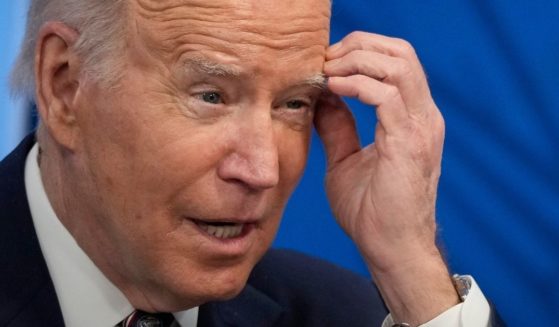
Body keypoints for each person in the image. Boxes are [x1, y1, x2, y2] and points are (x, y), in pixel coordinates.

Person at [0, 0, 504, 326]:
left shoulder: (345, 314)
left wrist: (411, 268)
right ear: (65, 86)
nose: (262, 170)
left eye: (293, 103)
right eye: (212, 96)